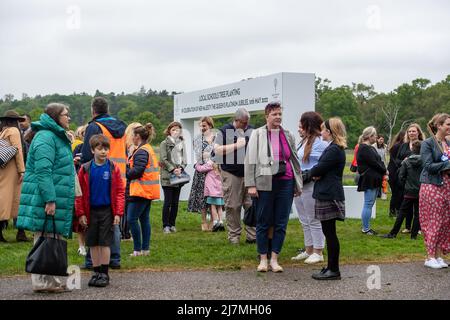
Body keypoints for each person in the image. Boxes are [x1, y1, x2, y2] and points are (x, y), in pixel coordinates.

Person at [16, 104, 75, 292]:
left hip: (54, 195)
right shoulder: (46, 137)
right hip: (47, 197)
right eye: (66, 115)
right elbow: (43, 171)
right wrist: (50, 199)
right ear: (56, 116)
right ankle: (43, 282)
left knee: (50, 237)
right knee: (44, 239)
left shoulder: (52, 136)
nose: (69, 118)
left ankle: (50, 281)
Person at [245, 102, 303, 272]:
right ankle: (263, 258)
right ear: (266, 116)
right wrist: (251, 185)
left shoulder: (288, 134)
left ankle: (274, 259)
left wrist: (297, 183)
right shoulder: (258, 134)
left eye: (279, 114)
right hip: (264, 182)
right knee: (263, 221)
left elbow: (293, 159)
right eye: (274, 114)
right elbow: (250, 160)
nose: (277, 117)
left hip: (286, 181)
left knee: (281, 222)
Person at [81, 97, 126, 269]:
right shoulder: (121, 127)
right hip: (119, 174)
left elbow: (87, 153)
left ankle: (93, 261)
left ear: (93, 110)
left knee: (95, 222)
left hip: (98, 175)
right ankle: (114, 259)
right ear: (108, 109)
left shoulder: (95, 127)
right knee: (113, 220)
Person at [76, 134, 125, 287]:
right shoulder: (84, 169)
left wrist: (118, 213)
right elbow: (78, 193)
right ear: (92, 150)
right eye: (100, 149)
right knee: (93, 243)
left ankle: (105, 273)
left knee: (104, 243)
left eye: (106, 149)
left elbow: (119, 192)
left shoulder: (112, 168)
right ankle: (96, 272)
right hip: (90, 211)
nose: (103, 152)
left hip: (107, 211)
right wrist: (81, 213)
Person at [308, 117, 347, 280]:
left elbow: (319, 169)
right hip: (328, 192)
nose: (321, 132)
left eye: (323, 129)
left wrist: (313, 173)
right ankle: (331, 267)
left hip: (329, 195)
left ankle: (334, 269)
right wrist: (316, 173)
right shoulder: (333, 148)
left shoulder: (334, 150)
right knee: (328, 232)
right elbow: (320, 170)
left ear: (330, 132)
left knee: (330, 233)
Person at [215, 108, 256, 245]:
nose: (246, 125)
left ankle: (252, 236)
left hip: (249, 173)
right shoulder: (224, 130)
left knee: (251, 205)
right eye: (243, 123)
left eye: (247, 123)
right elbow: (217, 150)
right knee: (233, 205)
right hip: (231, 173)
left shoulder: (251, 130)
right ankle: (234, 237)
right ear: (236, 120)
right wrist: (237, 145)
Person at [291, 112, 328, 264]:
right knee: (304, 219)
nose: (299, 129)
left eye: (301, 127)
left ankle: (318, 251)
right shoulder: (303, 142)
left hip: (311, 185)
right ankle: (309, 249)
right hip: (301, 185)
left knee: (313, 219)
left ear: (309, 126)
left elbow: (323, 163)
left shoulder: (320, 143)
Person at [419, 114, 450, 269]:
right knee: (434, 221)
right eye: (448, 124)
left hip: (446, 186)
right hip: (432, 186)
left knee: (444, 222)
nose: (449, 127)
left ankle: (438, 256)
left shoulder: (448, 142)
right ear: (439, 125)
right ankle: (429, 256)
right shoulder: (428, 143)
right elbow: (428, 166)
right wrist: (447, 165)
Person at [126, 123, 160, 256]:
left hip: (140, 191)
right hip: (147, 190)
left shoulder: (141, 151)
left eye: (133, 135)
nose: (132, 138)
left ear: (138, 136)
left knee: (132, 219)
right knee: (144, 219)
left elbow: (137, 171)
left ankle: (137, 250)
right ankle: (145, 249)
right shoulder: (147, 149)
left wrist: (126, 170)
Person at [382, 141, 422, 239]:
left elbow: (401, 176)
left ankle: (393, 233)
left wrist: (405, 185)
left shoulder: (406, 162)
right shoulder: (424, 162)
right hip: (420, 190)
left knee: (402, 212)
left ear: (412, 149)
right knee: (417, 213)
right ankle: (414, 235)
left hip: (408, 190)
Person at [0, 110, 27, 242]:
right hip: (12, 171)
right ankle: (20, 233)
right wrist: (22, 170)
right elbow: (18, 150)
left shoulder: (3, 131)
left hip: (3, 169)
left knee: (3, 200)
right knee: (16, 202)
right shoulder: (14, 131)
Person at [395, 123, 426, 233]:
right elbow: (396, 160)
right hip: (406, 179)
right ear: (407, 133)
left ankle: (418, 228)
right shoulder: (403, 145)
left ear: (418, 132)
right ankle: (408, 227)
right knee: (407, 206)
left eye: (414, 131)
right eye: (409, 131)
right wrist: (404, 161)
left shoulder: (424, 144)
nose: (411, 133)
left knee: (418, 207)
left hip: (419, 179)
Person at [356, 126, 387, 235]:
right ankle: (366, 228)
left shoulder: (370, 148)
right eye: (375, 135)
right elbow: (374, 163)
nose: (376, 137)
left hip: (373, 179)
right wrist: (384, 171)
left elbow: (379, 161)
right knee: (368, 204)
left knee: (369, 203)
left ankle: (366, 227)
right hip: (369, 180)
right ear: (370, 136)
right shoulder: (364, 148)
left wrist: (383, 169)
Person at [188, 117, 216, 231]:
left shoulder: (217, 138)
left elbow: (219, 154)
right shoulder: (198, 139)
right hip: (201, 171)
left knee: (213, 197)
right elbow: (199, 155)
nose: (202, 128)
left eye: (204, 125)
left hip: (214, 171)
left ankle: (213, 221)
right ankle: (204, 221)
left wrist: (211, 159)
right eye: (201, 126)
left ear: (210, 125)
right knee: (202, 197)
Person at [160, 121, 187, 233]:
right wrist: (173, 169)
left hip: (178, 176)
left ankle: (172, 224)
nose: (176, 131)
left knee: (175, 202)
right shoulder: (164, 143)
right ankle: (165, 225)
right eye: (173, 129)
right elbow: (163, 159)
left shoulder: (181, 143)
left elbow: (185, 159)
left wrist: (180, 168)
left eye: (178, 129)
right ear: (169, 131)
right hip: (167, 176)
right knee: (168, 202)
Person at [122, 122, 143, 240]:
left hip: (129, 178)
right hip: (127, 178)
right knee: (126, 207)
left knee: (128, 207)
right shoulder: (130, 146)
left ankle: (126, 232)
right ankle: (125, 233)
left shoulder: (132, 145)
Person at [195, 152, 225, 232]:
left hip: (212, 191)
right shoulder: (221, 165)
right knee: (219, 207)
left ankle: (215, 222)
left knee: (213, 207)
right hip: (220, 191)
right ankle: (221, 221)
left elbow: (201, 169)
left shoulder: (210, 164)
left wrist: (197, 164)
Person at [72, 124, 88, 256]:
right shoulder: (78, 147)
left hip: (90, 184)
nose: (85, 135)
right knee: (79, 217)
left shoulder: (96, 148)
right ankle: (81, 246)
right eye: (83, 133)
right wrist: (74, 161)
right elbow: (70, 162)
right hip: (78, 183)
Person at [387, 130, 406, 217]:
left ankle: (394, 210)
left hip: (393, 171)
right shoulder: (398, 146)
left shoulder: (396, 146)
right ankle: (394, 211)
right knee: (396, 193)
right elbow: (395, 161)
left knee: (397, 193)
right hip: (394, 172)